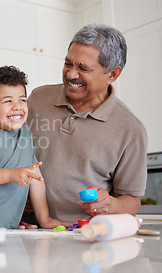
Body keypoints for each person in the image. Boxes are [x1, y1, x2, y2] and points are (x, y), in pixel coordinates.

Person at [26, 24, 148, 223]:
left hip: (83, 236)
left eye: (83, 68)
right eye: (68, 64)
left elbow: (131, 201)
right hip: (25, 228)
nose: (71, 74)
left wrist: (109, 204)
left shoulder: (131, 130)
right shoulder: (38, 98)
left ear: (113, 74)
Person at [0, 66, 71, 229]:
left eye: (22, 100)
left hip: (7, 227)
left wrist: (44, 218)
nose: (17, 106)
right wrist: (10, 175)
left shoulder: (25, 133)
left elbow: (35, 176)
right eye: (8, 101)